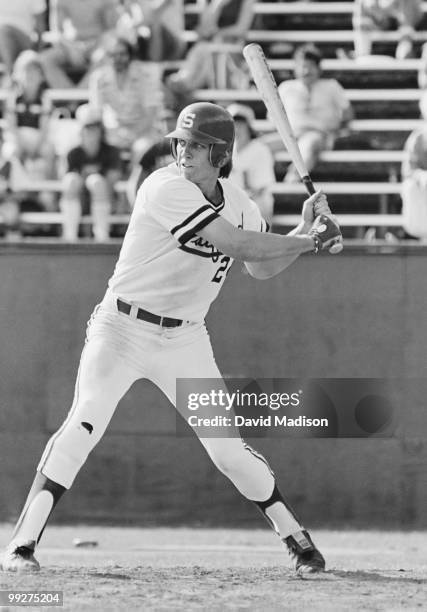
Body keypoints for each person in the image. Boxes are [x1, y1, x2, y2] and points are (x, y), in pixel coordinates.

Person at [0, 102, 342, 576]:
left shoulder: (241, 203)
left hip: (184, 339)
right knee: (85, 421)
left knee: (227, 451)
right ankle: (21, 544)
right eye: (180, 141)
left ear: (221, 155)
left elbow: (260, 266)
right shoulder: (163, 186)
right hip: (120, 327)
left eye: (198, 145)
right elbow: (239, 245)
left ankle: (298, 541)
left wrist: (303, 230)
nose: (183, 151)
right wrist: (312, 241)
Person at [0, 50, 56, 238]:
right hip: (18, 139)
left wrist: (35, 148)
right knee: (10, 150)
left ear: (41, 75)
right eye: (26, 71)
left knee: (48, 149)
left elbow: (45, 129)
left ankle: (47, 192)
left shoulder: (45, 97)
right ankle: (10, 191)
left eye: (34, 71)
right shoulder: (12, 97)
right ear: (18, 74)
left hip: (37, 140)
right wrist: (21, 146)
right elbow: (11, 127)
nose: (30, 75)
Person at [277, 45, 353, 183]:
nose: (306, 71)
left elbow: (347, 114)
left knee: (308, 144)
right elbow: (273, 118)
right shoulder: (285, 88)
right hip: (288, 136)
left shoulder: (331, 86)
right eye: (302, 66)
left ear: (319, 68)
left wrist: (336, 133)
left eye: (310, 66)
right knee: (259, 146)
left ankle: (291, 182)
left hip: (318, 135)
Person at [166, 0, 255, 106]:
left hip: (232, 49)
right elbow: (204, 29)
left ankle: (187, 82)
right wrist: (217, 6)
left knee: (207, 52)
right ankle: (188, 84)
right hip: (211, 49)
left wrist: (217, 34)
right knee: (206, 51)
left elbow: (241, 29)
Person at [89, 36, 163, 156]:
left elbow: (151, 114)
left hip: (144, 131)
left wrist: (133, 133)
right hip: (113, 131)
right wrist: (112, 133)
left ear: (130, 55)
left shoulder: (145, 76)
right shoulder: (99, 78)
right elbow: (96, 112)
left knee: (141, 149)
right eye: (113, 55)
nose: (117, 59)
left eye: (122, 54)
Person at [59, 103, 122, 242]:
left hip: (105, 201)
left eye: (95, 127)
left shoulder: (111, 151)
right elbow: (65, 182)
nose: (91, 131)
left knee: (96, 182)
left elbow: (111, 182)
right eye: (87, 127)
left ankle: (101, 235)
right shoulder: (73, 153)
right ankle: (69, 236)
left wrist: (93, 182)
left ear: (101, 130)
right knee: (71, 181)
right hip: (79, 200)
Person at [39, 0, 119, 89]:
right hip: (69, 46)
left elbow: (112, 30)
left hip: (97, 45)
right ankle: (72, 97)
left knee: (105, 57)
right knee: (45, 59)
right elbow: (56, 32)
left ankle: (76, 98)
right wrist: (70, 48)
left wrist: (98, 46)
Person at [227, 103, 276, 223]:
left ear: (249, 126)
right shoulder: (225, 150)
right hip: (230, 202)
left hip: (256, 202)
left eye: (240, 124)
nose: (237, 129)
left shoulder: (260, 149)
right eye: (233, 125)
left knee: (260, 206)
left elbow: (260, 189)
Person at [353, 0, 423, 60]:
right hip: (381, 31)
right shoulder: (365, 5)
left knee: (404, 52)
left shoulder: (408, 5)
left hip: (408, 34)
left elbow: (407, 26)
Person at [0, 0, 47, 80]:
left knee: (4, 33)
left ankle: (11, 78)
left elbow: (40, 24)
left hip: (24, 40)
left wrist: (39, 49)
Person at [400, 102, 427, 241]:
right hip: (423, 189)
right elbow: (409, 170)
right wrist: (422, 176)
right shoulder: (418, 138)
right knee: (410, 187)